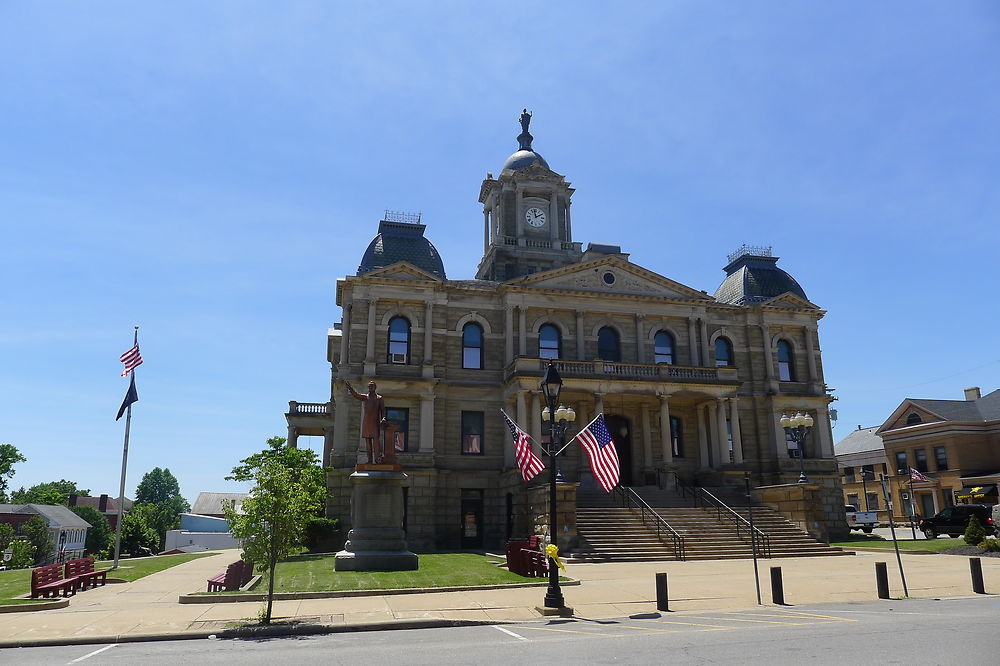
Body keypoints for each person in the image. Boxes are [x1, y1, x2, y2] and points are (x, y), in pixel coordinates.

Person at [345, 380, 387, 463]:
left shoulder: (379, 398)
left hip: (375, 422)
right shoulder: (365, 397)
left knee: (376, 442)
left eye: (372, 386)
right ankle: (370, 460)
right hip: (367, 422)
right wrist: (350, 388)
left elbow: (383, 410)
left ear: (375, 387)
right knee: (368, 443)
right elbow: (356, 395)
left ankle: (378, 459)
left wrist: (383, 418)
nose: (370, 388)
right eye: (369, 386)